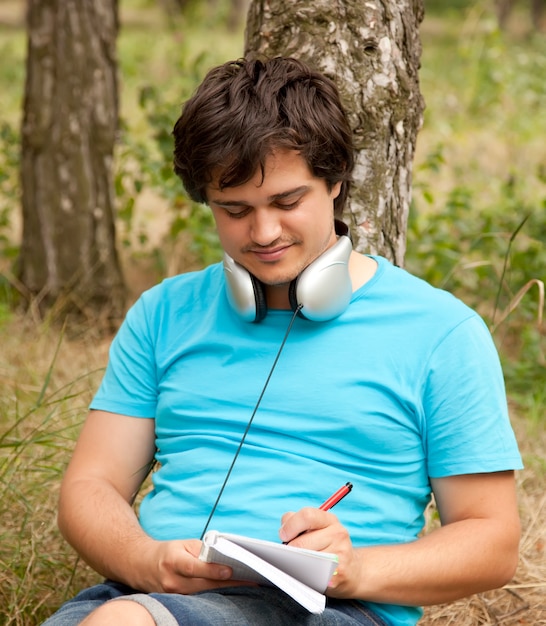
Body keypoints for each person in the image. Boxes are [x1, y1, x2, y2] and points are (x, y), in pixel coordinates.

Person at [42, 57, 522, 626]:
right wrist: (145, 561)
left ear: (336, 180)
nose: (263, 233)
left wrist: (353, 569)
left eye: (287, 203)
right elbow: (90, 486)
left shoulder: (443, 333)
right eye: (235, 210)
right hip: (139, 595)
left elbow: (492, 542)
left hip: (331, 610)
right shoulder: (162, 313)